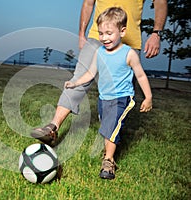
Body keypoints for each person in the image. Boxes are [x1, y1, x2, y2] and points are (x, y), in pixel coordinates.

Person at [30, 0, 167, 147]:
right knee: (79, 78)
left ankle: (109, 150)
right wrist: (82, 34)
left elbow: (160, 2)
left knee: (119, 95)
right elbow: (88, 3)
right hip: (97, 37)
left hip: (129, 41)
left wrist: (156, 33)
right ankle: (52, 128)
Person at [64, 6, 152, 179]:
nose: (104, 38)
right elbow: (90, 73)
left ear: (122, 31)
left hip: (122, 98)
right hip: (104, 98)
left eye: (109, 33)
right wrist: (75, 83)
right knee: (107, 128)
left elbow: (140, 75)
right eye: (101, 33)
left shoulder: (129, 53)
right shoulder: (99, 52)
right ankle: (108, 151)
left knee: (111, 127)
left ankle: (109, 161)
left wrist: (148, 97)